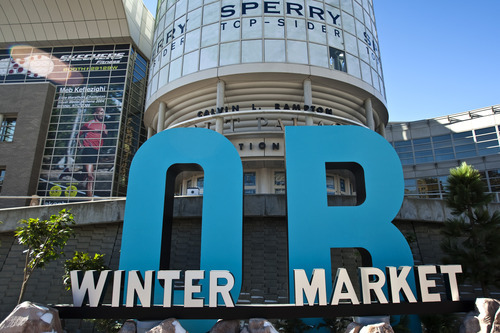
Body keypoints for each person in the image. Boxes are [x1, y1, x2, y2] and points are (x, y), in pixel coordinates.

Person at [77, 107, 108, 197]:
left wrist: (105, 134)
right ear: (95, 113)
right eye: (101, 112)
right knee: (90, 177)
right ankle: (89, 199)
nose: (103, 114)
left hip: (96, 151)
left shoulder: (103, 125)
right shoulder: (89, 124)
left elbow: (103, 138)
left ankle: (67, 171)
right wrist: (79, 144)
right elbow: (78, 134)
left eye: (103, 112)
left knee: (84, 177)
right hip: (88, 150)